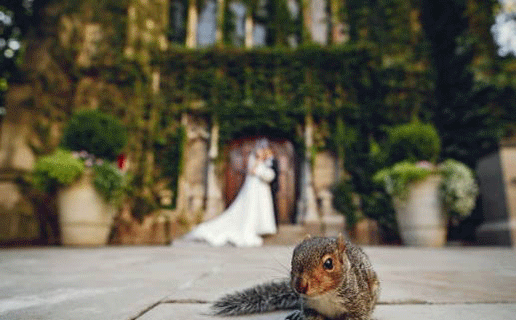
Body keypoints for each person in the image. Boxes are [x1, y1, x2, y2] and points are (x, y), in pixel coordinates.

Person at [184, 139, 277, 247]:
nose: (262, 152)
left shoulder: (267, 161)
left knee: (260, 207)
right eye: (260, 150)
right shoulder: (254, 159)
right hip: (253, 188)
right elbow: (252, 171)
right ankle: (248, 229)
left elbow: (270, 173)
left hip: (262, 190)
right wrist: (259, 162)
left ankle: (259, 229)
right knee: (250, 208)